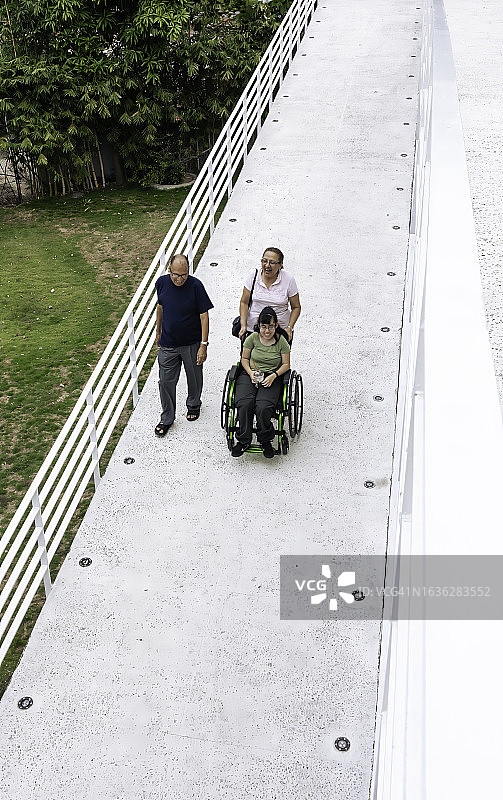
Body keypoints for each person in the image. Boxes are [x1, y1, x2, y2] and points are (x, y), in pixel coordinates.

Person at [154, 254, 213, 436]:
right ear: (169, 270)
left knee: (194, 376)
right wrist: (158, 331)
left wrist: (203, 345)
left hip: (192, 343)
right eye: (176, 275)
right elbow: (160, 307)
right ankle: (167, 418)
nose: (179, 279)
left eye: (184, 275)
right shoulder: (161, 283)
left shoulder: (196, 286)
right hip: (168, 343)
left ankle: (194, 404)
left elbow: (204, 316)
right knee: (165, 381)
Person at [232, 306, 291, 459]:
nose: (267, 331)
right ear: (259, 325)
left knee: (263, 407)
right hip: (250, 373)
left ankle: (265, 440)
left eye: (270, 326)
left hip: (272, 376)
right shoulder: (252, 338)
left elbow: (286, 365)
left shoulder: (281, 341)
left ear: (276, 325)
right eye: (264, 326)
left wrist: (273, 376)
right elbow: (244, 359)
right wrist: (251, 373)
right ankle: (243, 440)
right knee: (244, 403)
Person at [237, 247, 301, 343]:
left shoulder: (288, 279)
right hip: (253, 331)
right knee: (247, 357)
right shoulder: (253, 276)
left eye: (272, 262)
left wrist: (289, 327)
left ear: (280, 264)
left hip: (280, 332)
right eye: (264, 261)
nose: (267, 265)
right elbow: (244, 302)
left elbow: (296, 307)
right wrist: (243, 326)